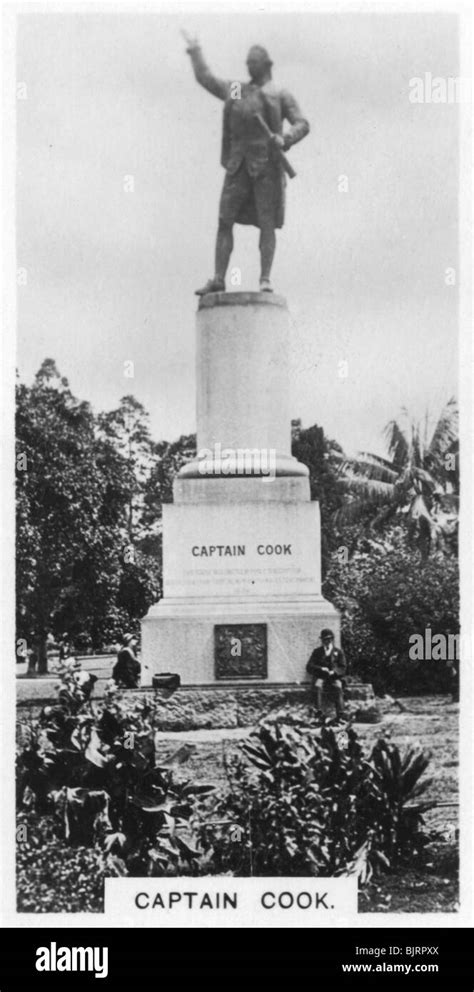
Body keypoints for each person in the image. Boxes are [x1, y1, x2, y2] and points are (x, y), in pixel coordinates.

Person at [183, 32, 309, 295]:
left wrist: (285, 138)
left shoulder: (278, 93)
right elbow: (208, 80)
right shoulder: (240, 90)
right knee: (224, 219)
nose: (248, 66)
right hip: (238, 164)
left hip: (267, 166)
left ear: (266, 65)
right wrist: (195, 51)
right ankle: (218, 277)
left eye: (253, 62)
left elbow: (302, 123)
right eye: (247, 62)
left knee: (266, 222)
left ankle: (265, 279)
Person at [306, 629, 347, 719]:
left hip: (333, 677)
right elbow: (309, 666)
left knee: (338, 686)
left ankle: (341, 714)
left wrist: (334, 671)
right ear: (322, 640)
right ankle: (318, 712)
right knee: (317, 686)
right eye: (325, 639)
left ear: (332, 639)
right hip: (321, 676)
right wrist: (321, 668)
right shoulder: (317, 652)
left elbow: (343, 667)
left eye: (329, 639)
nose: (327, 641)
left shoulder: (338, 652)